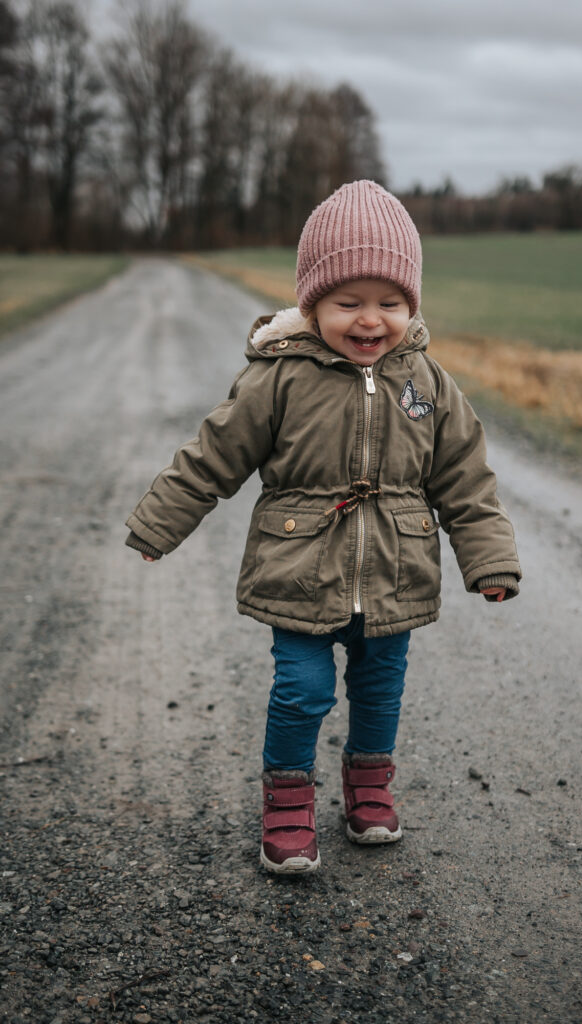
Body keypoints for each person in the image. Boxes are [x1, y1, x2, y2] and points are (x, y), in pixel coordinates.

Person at [125, 180, 521, 874]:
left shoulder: (426, 383)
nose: (371, 321)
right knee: (302, 690)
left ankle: (368, 789)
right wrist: (161, 523)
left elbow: (465, 478)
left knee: (379, 690)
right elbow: (213, 455)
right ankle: (286, 802)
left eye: (390, 303)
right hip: (300, 571)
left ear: (412, 305)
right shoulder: (279, 377)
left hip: (394, 576)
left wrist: (489, 561)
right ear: (312, 302)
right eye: (349, 303)